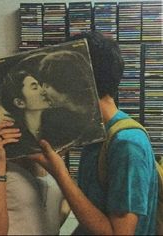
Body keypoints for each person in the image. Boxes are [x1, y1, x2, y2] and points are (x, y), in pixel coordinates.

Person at [30, 31, 158, 235]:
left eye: (57, 79)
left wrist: (60, 173)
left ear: (80, 81)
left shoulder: (126, 143)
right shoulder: (97, 134)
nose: (46, 93)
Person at [0, 53, 70, 235]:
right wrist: (0, 164)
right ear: (19, 102)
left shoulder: (53, 145)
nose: (43, 90)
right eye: (35, 87)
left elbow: (62, 205)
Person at [38, 49, 105, 149]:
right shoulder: (53, 120)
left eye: (47, 85)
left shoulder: (96, 121)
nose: (42, 90)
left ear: (64, 85)